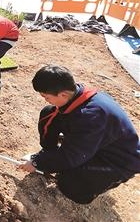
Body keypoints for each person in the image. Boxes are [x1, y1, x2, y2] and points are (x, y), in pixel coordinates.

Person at [18, 65, 140, 204]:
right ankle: (53, 156)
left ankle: (102, 183)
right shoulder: (77, 94)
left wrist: (37, 162)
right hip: (97, 143)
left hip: (118, 161)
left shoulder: (90, 117)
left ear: (63, 94)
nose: (45, 100)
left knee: (69, 184)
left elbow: (71, 156)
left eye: (46, 97)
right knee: (49, 114)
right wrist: (45, 156)